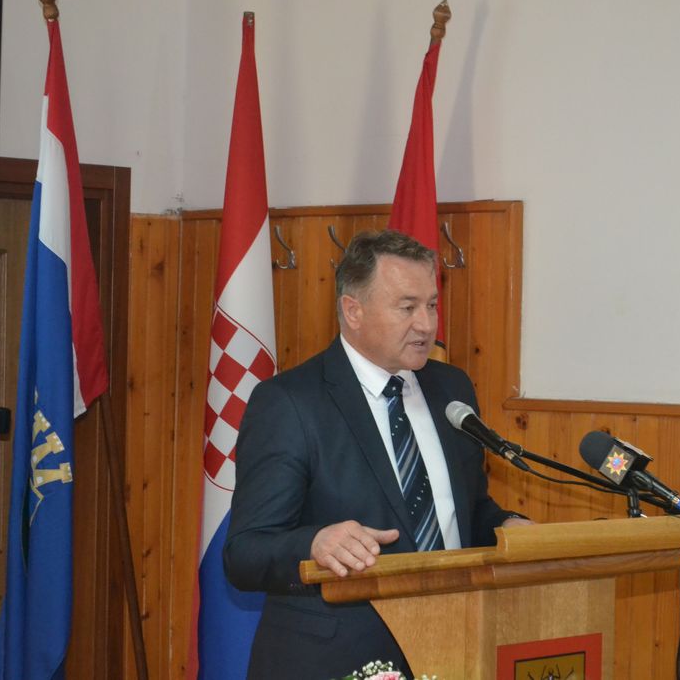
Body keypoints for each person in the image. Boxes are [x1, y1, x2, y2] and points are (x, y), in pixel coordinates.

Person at [224, 229, 530, 679]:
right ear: (354, 310)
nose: (426, 325)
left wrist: (507, 526)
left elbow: (464, 509)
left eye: (431, 305)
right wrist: (313, 543)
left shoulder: (452, 389)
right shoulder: (290, 402)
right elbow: (245, 552)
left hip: (452, 646)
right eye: (407, 307)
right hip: (336, 659)